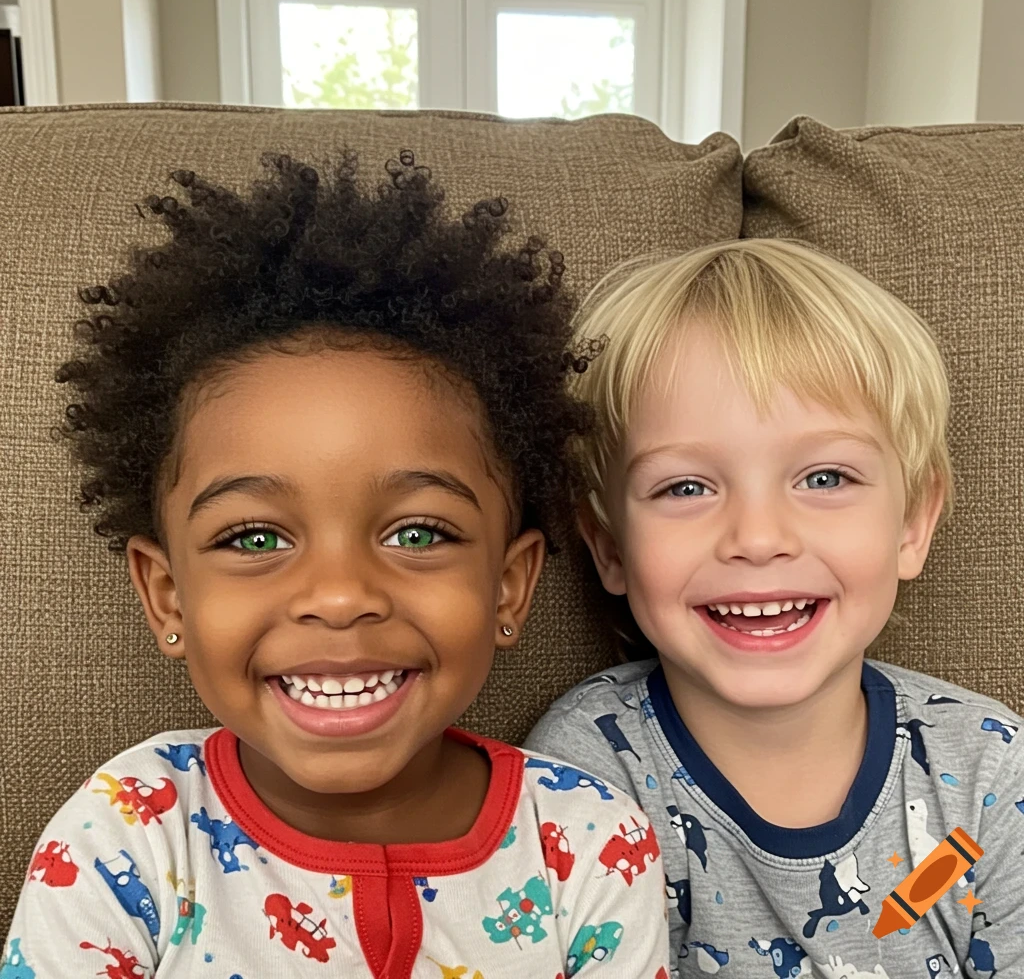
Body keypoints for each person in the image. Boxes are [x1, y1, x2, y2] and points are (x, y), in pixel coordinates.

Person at [3, 151, 669, 978]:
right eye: (254, 539)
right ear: (167, 596)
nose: (341, 596)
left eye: (418, 534)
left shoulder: (591, 844)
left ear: (510, 583)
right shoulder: (124, 837)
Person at [527, 238, 1022, 978]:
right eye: (685, 488)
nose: (758, 539)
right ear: (610, 549)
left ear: (912, 526)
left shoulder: (991, 772)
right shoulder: (584, 776)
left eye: (825, 477)